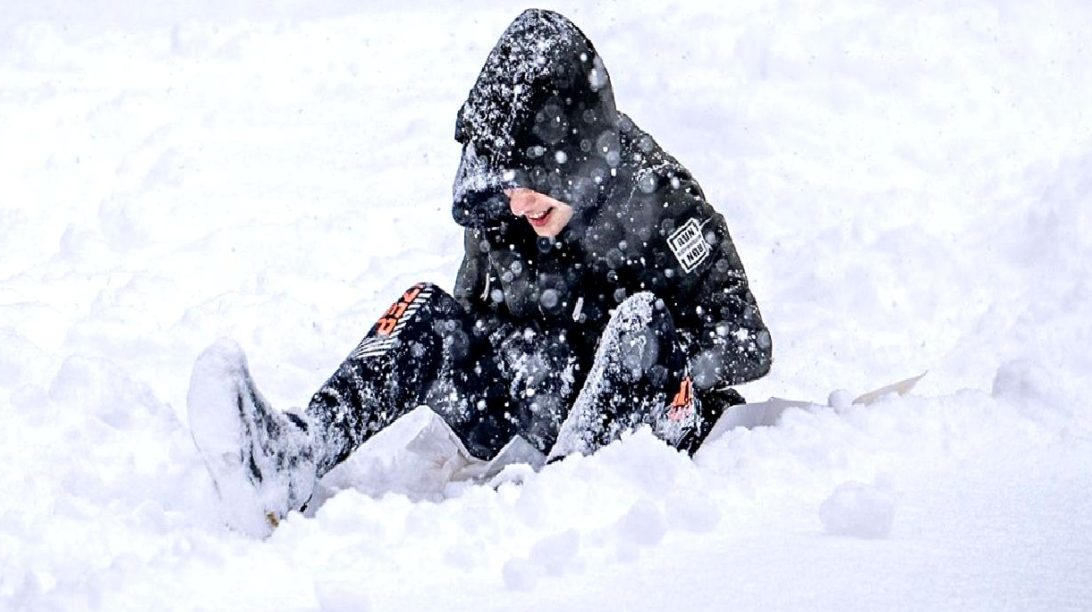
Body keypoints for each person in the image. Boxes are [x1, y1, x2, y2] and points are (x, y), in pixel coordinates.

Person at [187, 9, 772, 536]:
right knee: (427, 310)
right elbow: (473, 318)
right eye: (507, 184)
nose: (517, 204)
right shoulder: (504, 204)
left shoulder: (660, 201)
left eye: (530, 182)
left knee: (640, 323)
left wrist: (652, 362)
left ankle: (569, 501)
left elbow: (749, 343)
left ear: (574, 156)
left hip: (648, 425)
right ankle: (295, 457)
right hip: (544, 394)